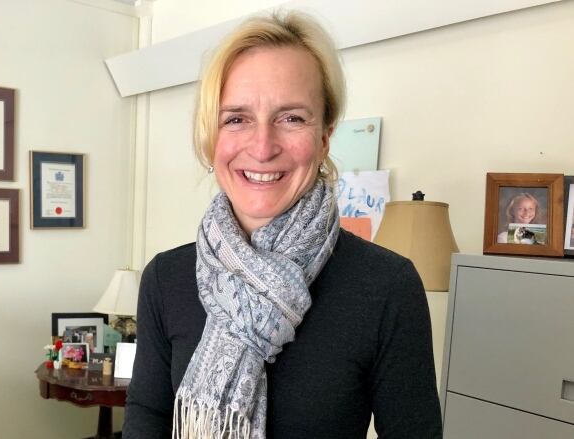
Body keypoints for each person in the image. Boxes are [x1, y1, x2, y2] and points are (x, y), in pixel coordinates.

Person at [123, 11, 441, 439]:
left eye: (291, 118)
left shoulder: (387, 286)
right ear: (211, 137)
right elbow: (148, 418)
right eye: (236, 118)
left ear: (325, 136)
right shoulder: (166, 278)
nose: (263, 146)